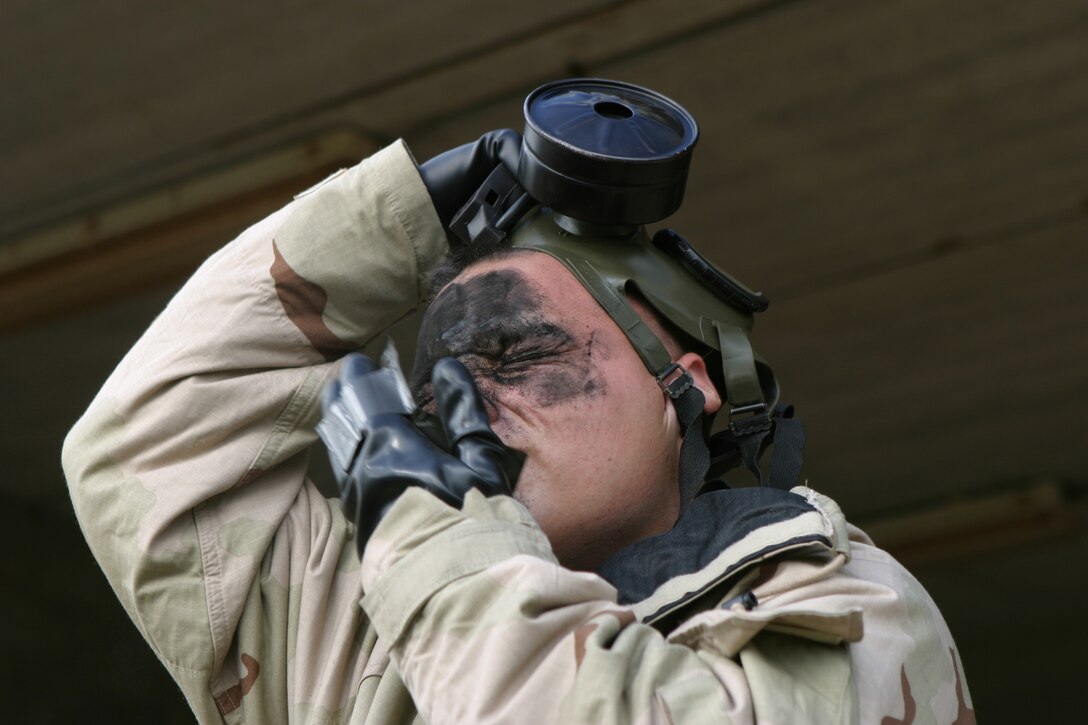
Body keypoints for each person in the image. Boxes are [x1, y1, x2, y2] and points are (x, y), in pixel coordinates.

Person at [64, 122, 974, 723]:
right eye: (439, 390)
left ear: (684, 388)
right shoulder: (359, 642)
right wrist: (404, 220)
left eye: (518, 359)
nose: (467, 412)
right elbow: (141, 442)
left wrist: (440, 542)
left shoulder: (841, 597)